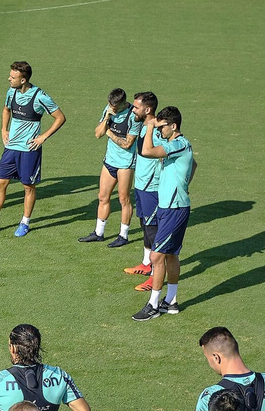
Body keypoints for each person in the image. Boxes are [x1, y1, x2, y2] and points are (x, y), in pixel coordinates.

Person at [0, 62, 64, 237]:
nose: (9, 79)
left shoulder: (39, 96)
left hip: (29, 150)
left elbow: (60, 117)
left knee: (28, 187)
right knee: (0, 183)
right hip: (11, 148)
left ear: (23, 80)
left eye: (13, 77)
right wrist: (3, 129)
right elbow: (6, 109)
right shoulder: (11, 92)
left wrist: (43, 137)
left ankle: (25, 223)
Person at [132, 107, 195, 320]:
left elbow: (147, 151)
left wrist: (150, 126)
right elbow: (194, 164)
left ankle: (153, 305)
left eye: (162, 127)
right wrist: (183, 185)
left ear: (173, 126)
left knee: (156, 256)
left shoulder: (178, 144)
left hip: (174, 209)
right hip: (170, 206)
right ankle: (171, 301)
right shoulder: (179, 145)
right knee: (170, 255)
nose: (160, 131)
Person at [79, 89, 139, 247]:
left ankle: (123, 236)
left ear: (123, 103)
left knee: (124, 199)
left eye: (115, 107)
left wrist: (109, 133)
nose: (113, 109)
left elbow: (127, 144)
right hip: (110, 161)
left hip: (125, 164)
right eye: (110, 105)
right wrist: (106, 117)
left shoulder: (133, 116)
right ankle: (99, 233)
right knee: (102, 197)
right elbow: (98, 134)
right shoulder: (109, 110)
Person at [123, 92, 162, 286]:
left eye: (136, 107)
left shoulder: (157, 132)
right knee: (145, 226)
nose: (133, 110)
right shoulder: (143, 127)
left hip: (152, 189)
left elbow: (165, 155)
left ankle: (156, 274)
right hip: (140, 186)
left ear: (148, 110)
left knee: (153, 230)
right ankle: (147, 264)